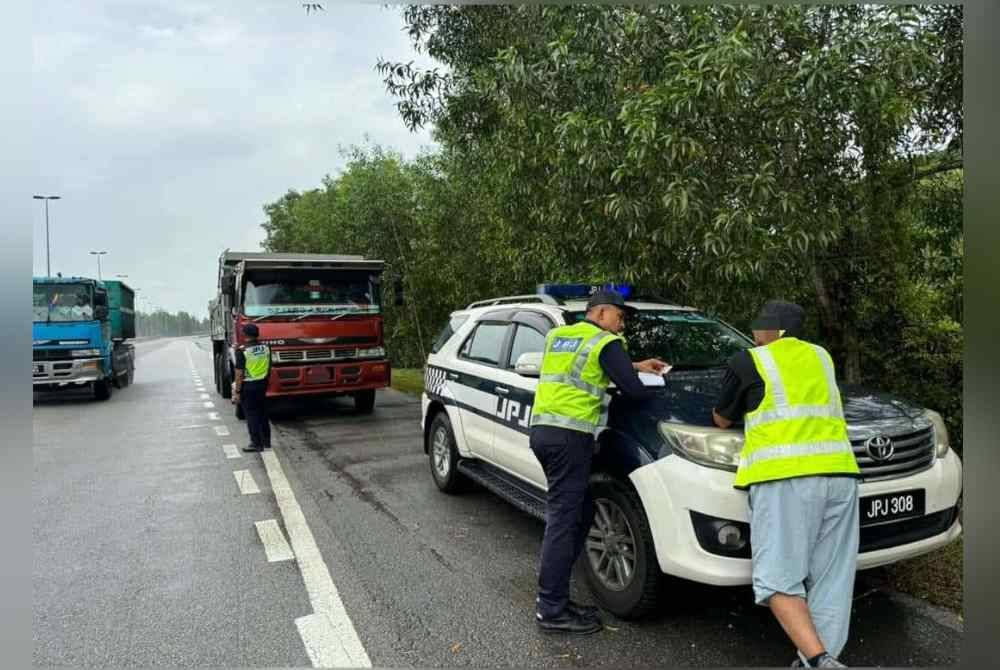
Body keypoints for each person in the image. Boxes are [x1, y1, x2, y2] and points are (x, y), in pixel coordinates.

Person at [712, 300, 861, 668]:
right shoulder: (822, 356)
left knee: (777, 581)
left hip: (786, 480)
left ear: (772, 330)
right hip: (841, 476)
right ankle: (816, 659)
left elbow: (721, 419)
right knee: (831, 580)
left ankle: (819, 660)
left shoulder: (750, 360)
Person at [529, 289, 669, 634]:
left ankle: (556, 599)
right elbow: (634, 390)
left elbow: (583, 368)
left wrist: (634, 364)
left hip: (545, 432)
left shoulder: (559, 335)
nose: (621, 326)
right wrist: (656, 386)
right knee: (564, 519)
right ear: (603, 313)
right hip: (570, 438)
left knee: (582, 511)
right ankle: (550, 608)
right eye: (619, 318)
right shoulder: (606, 343)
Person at [233, 323, 272, 453]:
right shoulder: (266, 347)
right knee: (263, 413)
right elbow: (269, 366)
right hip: (263, 383)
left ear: (245, 335)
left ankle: (256, 443)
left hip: (249, 386)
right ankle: (266, 442)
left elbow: (239, 373)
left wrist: (237, 391)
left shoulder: (243, 351)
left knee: (251, 415)